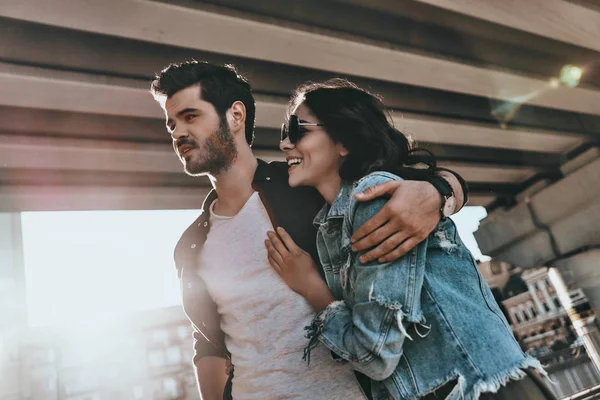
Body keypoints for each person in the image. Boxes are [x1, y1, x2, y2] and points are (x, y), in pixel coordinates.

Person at [150, 61, 468, 400]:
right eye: (171, 124)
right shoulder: (192, 244)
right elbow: (210, 342)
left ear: (236, 115)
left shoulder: (305, 185)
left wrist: (438, 194)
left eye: (190, 116)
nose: (177, 133)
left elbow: (430, 182)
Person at [267, 79, 555, 400]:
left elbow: (376, 357)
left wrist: (311, 288)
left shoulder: (374, 197)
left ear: (344, 140)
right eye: (283, 132)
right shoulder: (330, 227)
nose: (284, 144)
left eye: (298, 128)